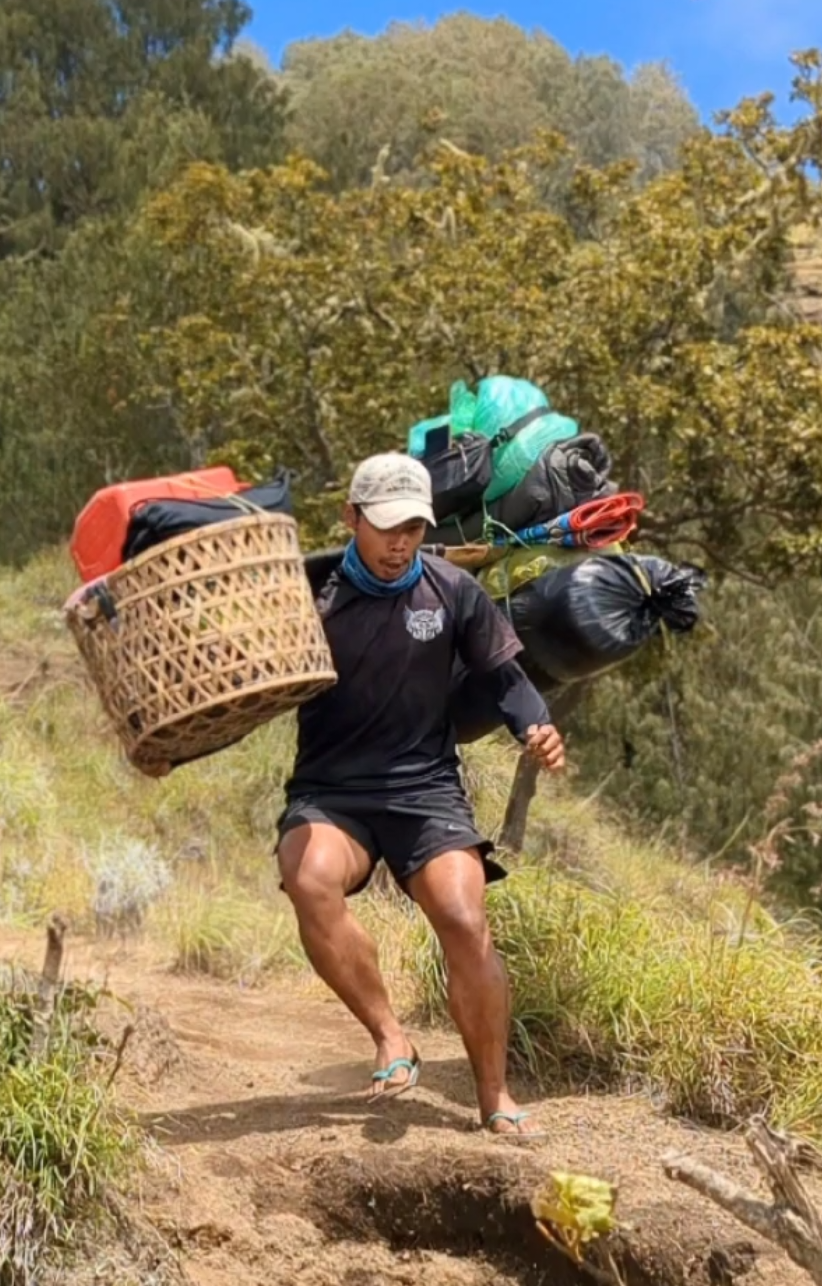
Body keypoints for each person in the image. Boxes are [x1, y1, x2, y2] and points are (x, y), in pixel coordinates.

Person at [277, 452, 565, 1140]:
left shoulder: (452, 590)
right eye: (384, 527)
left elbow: (505, 677)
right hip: (331, 792)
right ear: (351, 520)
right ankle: (389, 1035)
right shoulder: (308, 591)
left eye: (412, 526)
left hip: (426, 789)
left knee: (465, 920)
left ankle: (493, 1096)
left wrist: (536, 724)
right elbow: (242, 683)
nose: (398, 540)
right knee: (309, 880)